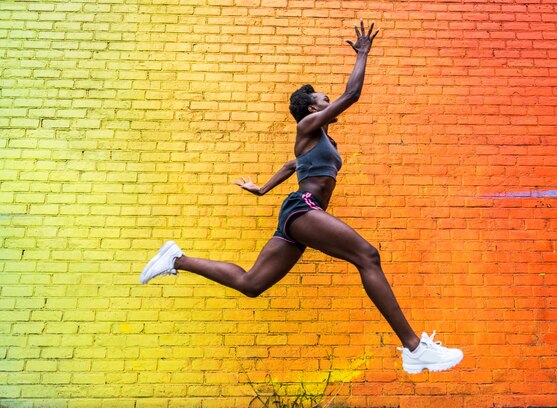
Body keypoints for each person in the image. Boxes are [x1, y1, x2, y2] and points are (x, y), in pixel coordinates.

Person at [140, 21, 463, 374]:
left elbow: (292, 163)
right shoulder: (307, 127)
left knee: (252, 284)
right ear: (312, 110)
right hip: (303, 209)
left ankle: (177, 259)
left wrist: (262, 189)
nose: (329, 102)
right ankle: (414, 349)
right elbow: (351, 95)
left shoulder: (321, 140)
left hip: (297, 215)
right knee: (368, 256)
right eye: (323, 99)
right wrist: (363, 54)